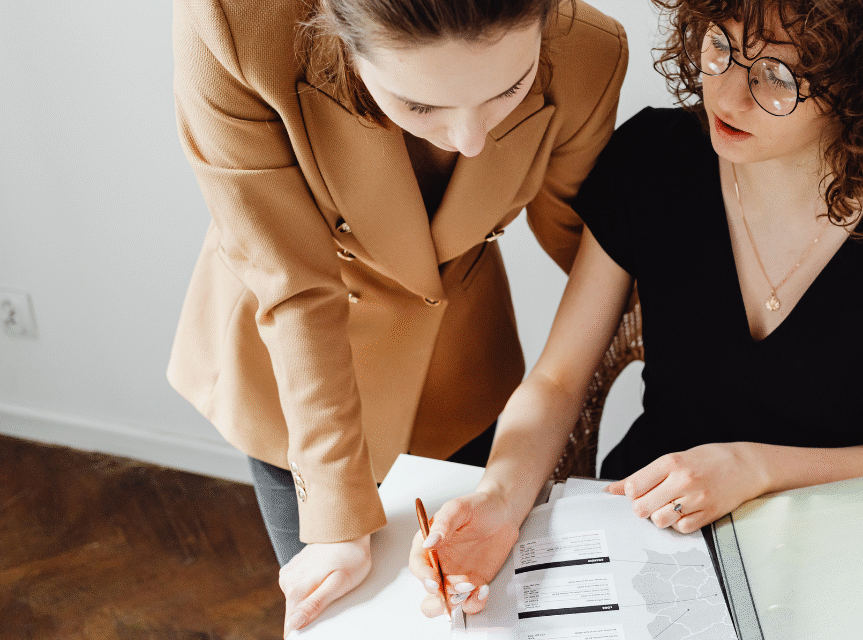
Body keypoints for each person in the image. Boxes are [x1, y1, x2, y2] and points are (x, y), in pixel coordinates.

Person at [409, 0, 863, 618]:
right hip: (648, 525)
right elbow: (557, 380)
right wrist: (498, 500)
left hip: (829, 539)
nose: (726, 93)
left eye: (776, 77)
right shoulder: (654, 159)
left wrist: (750, 467)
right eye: (720, 45)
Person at [167, 0, 627, 635]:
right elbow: (293, 285)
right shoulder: (235, 28)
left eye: (509, 89)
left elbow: (588, 244)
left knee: (467, 612)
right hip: (297, 377)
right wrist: (335, 520)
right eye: (420, 106)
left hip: (459, 363)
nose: (470, 139)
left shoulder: (588, 53)